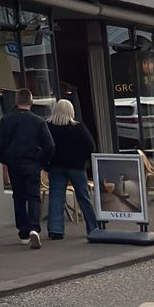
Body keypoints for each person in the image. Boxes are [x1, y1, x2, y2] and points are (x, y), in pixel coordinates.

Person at [0, 88, 55, 248]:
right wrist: (42, 161)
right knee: (33, 196)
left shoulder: (6, 120)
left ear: (16, 101)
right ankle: (34, 228)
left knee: (18, 197)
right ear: (31, 102)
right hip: (32, 163)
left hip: (14, 163)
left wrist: (5, 159)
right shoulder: (38, 121)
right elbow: (49, 145)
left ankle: (23, 232)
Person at [48, 95, 101, 240]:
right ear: (71, 111)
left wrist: (47, 162)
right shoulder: (78, 127)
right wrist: (82, 159)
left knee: (56, 197)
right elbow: (90, 146)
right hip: (76, 167)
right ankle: (92, 227)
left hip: (56, 166)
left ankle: (55, 229)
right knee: (83, 197)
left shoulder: (49, 127)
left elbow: (44, 146)